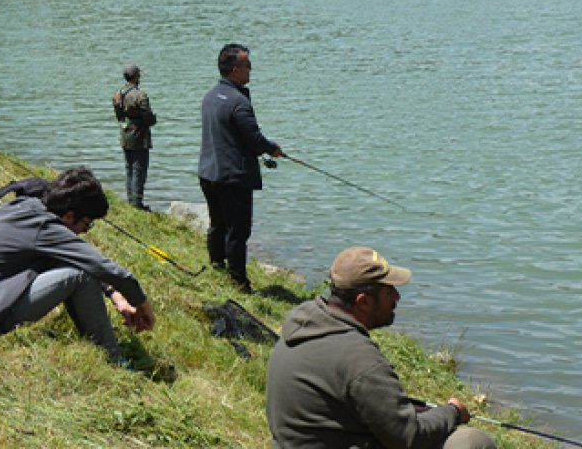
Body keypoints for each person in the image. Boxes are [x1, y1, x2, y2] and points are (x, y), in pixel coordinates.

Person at [265, 247, 496, 449]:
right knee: (472, 442)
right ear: (363, 301)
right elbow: (409, 437)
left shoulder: (303, 325)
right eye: (388, 292)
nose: (397, 296)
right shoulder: (359, 359)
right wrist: (452, 412)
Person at [0, 168, 155, 364]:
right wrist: (141, 302)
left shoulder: (28, 207)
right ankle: (115, 359)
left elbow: (74, 258)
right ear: (69, 215)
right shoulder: (44, 227)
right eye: (86, 226)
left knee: (75, 267)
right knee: (79, 277)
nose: (84, 233)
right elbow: (102, 266)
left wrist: (115, 296)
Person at [197, 43, 283, 292]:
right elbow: (254, 140)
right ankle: (238, 281)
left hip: (208, 173)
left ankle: (216, 265)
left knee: (217, 224)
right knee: (238, 231)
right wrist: (272, 148)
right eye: (248, 66)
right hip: (232, 178)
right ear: (235, 69)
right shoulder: (238, 102)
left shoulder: (211, 95)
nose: (251, 70)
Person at [112, 64, 156, 211]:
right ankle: (136, 204)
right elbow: (148, 118)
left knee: (129, 168)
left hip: (125, 136)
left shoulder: (118, 93)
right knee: (139, 169)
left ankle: (131, 200)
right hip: (139, 137)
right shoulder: (140, 95)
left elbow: (119, 117)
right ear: (136, 77)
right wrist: (153, 119)